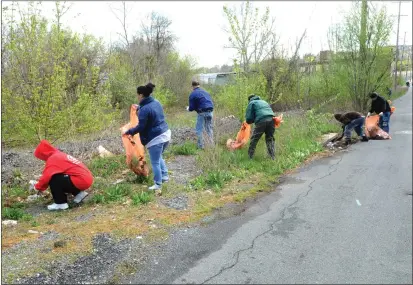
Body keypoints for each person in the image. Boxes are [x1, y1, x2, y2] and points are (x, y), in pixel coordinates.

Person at [123, 83, 171, 191]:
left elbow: (141, 127)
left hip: (156, 138)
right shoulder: (156, 102)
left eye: (137, 95)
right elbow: (150, 111)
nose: (137, 97)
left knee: (155, 162)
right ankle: (165, 176)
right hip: (166, 133)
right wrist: (139, 108)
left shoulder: (144, 109)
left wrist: (129, 131)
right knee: (158, 157)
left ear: (140, 95)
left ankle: (158, 184)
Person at [30, 140, 94, 210]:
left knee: (54, 178)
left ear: (43, 154)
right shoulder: (59, 154)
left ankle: (60, 203)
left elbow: (46, 177)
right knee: (63, 177)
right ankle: (79, 194)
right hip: (86, 178)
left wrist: (37, 187)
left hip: (80, 180)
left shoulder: (53, 158)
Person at [245, 94, 276, 160]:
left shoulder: (251, 103)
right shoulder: (264, 101)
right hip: (272, 120)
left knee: (254, 139)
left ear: (249, 99)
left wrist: (249, 122)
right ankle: (272, 157)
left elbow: (249, 118)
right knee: (270, 138)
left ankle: (250, 157)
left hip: (262, 121)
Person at [187, 80, 214, 149]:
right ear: (199, 85)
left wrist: (188, 108)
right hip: (210, 111)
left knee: (199, 129)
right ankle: (211, 145)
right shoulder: (205, 92)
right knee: (209, 129)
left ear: (192, 86)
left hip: (202, 112)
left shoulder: (193, 94)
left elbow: (191, 108)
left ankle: (200, 146)